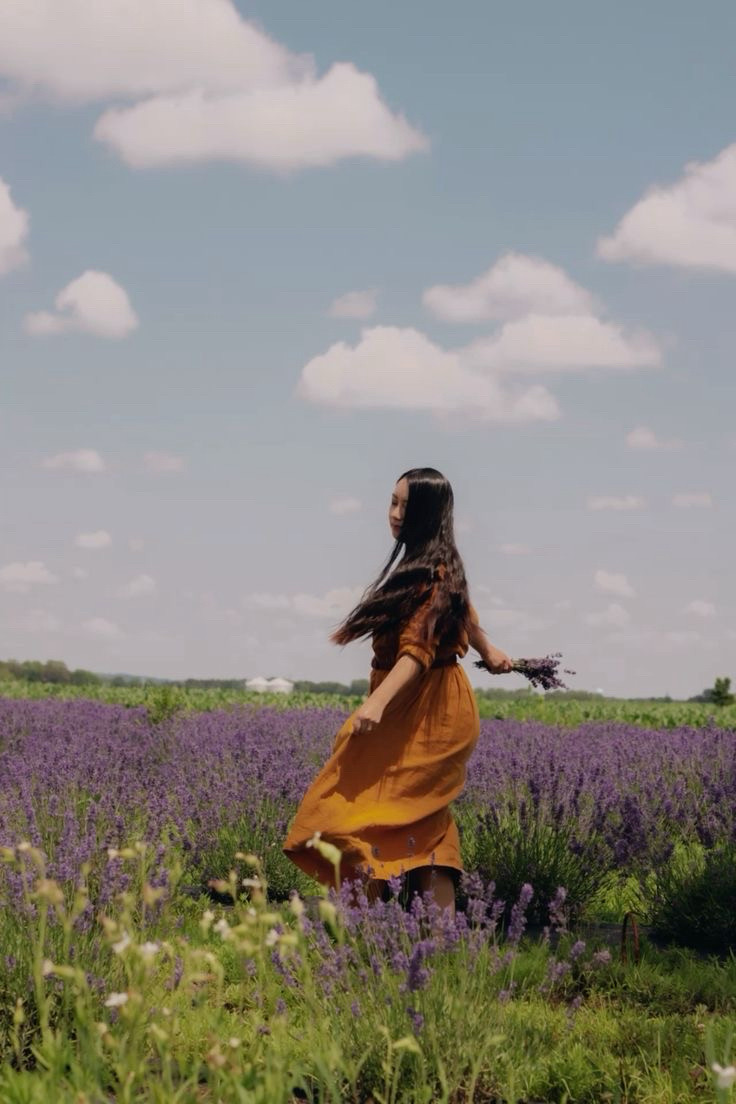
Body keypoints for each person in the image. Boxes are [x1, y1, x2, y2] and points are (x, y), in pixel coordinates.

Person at [282, 467, 513, 918]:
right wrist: (488, 648)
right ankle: (422, 940)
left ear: (427, 514)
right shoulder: (430, 567)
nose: (394, 513)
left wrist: (375, 704)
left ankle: (366, 932)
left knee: (355, 809)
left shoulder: (436, 573)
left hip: (427, 711)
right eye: (392, 502)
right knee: (418, 820)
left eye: (405, 506)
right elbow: (462, 613)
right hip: (418, 704)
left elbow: (417, 652)